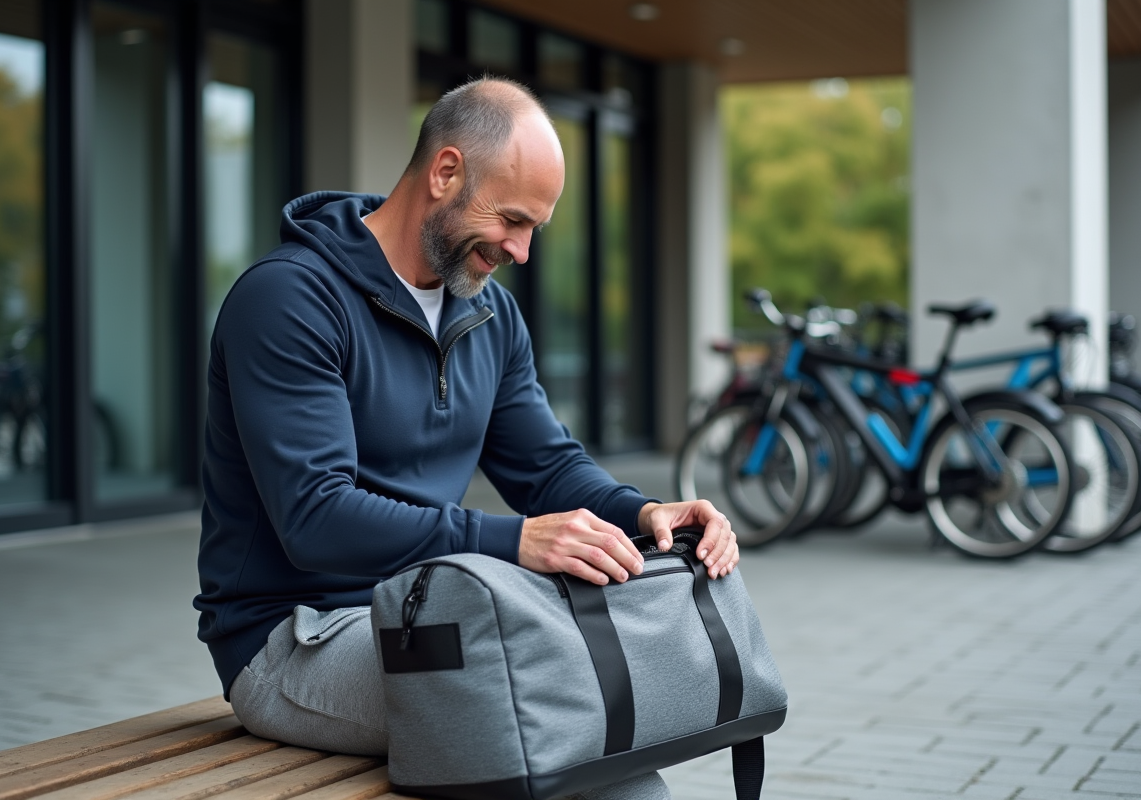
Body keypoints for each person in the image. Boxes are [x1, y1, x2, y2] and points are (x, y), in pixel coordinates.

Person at [194, 76, 739, 800]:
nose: (521, 250)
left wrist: (644, 514)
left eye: (535, 229)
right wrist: (514, 542)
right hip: (297, 639)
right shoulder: (289, 299)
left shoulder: (489, 318)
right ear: (445, 172)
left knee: (601, 718)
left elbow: (547, 468)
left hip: (433, 609)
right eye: (512, 220)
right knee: (555, 701)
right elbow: (316, 519)